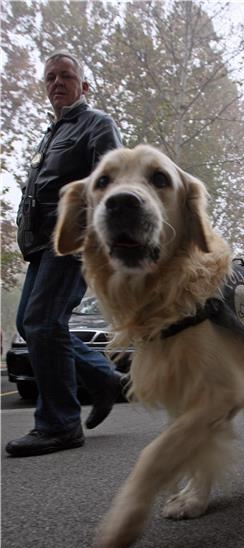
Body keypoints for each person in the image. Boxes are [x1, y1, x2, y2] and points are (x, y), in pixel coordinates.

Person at [6, 51, 124, 457]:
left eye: (66, 76)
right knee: (30, 321)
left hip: (73, 237)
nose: (57, 83)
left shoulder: (96, 124)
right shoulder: (51, 134)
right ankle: (102, 375)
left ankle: (59, 424)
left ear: (83, 85)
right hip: (42, 243)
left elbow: (112, 180)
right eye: (50, 78)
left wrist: (99, 238)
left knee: (42, 321)